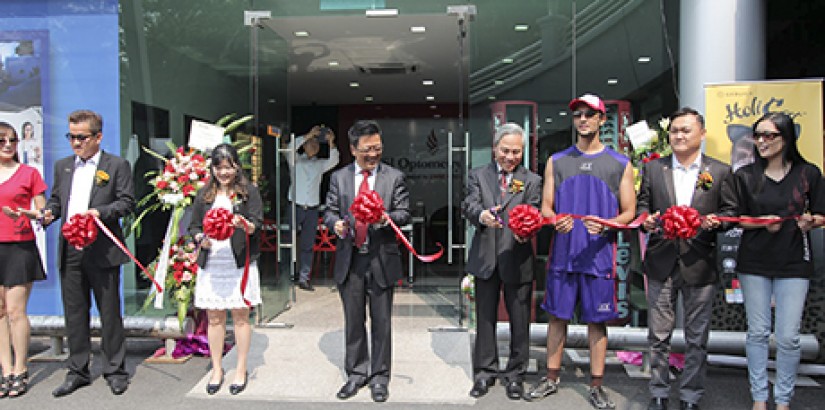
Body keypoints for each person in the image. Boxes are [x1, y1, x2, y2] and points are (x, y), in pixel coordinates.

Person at [528, 94, 636, 409]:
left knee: (597, 322)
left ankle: (597, 385)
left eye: (590, 114)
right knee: (556, 318)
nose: (583, 120)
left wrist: (608, 224)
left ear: (603, 119)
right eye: (578, 115)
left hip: (600, 255)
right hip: (563, 254)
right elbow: (546, 208)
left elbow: (628, 212)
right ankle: (550, 378)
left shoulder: (620, 163)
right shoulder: (557, 161)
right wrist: (553, 220)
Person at [720, 112, 824, 410]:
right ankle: (759, 397)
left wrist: (810, 221)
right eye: (758, 135)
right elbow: (735, 218)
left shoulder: (809, 174)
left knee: (789, 337)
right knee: (758, 333)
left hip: (794, 261)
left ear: (786, 138)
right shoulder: (745, 175)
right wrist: (760, 223)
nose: (762, 141)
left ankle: (783, 400)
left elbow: (820, 213)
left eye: (769, 135)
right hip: (754, 261)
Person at [637, 108, 732, 410]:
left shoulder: (719, 172)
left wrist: (718, 221)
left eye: (686, 130)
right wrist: (646, 220)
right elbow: (642, 207)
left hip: (699, 262)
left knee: (696, 338)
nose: (678, 135)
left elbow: (731, 212)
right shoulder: (654, 168)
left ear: (702, 134)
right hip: (661, 261)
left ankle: (691, 397)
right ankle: (659, 393)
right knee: (658, 335)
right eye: (674, 130)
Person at [42, 110, 134, 397]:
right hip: (71, 249)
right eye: (71, 136)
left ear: (98, 137)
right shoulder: (63, 167)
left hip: (103, 250)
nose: (75, 143)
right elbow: (57, 201)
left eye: (81, 137)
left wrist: (100, 213)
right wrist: (47, 214)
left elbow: (127, 202)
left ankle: (115, 370)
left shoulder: (116, 165)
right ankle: (78, 370)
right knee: (74, 312)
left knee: (109, 312)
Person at [323, 120, 410, 402]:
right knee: (354, 320)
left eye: (377, 148)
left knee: (382, 321)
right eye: (366, 150)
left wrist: (385, 218)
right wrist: (335, 224)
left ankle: (380, 377)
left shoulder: (393, 177)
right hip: (351, 259)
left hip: (381, 259)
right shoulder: (339, 178)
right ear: (352, 149)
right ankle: (356, 373)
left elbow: (404, 213)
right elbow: (330, 211)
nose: (372, 155)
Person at [462, 123, 542, 400]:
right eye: (505, 150)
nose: (510, 157)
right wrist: (481, 215)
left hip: (517, 257)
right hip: (485, 257)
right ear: (495, 148)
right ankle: (485, 371)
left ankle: (516, 374)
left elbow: (534, 211)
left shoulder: (531, 179)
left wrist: (525, 233)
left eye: (516, 152)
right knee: (485, 319)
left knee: (520, 321)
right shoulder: (478, 175)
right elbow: (469, 205)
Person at [189, 143, 263, 396]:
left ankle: (241, 368)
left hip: (239, 260)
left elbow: (257, 224)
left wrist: (242, 224)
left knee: (241, 316)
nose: (224, 172)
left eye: (228, 166)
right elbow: (193, 228)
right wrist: (200, 238)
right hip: (213, 262)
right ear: (212, 169)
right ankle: (217, 368)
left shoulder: (248, 192)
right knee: (215, 317)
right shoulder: (204, 194)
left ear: (236, 167)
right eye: (218, 167)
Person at [0, 122, 47, 398]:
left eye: (13, 140)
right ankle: (5, 369)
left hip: (19, 247)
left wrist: (23, 213)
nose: (8, 145)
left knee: (16, 311)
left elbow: (43, 213)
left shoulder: (29, 174)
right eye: (2, 140)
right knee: (0, 312)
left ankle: (20, 368)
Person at [284, 125, 340, 291]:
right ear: (304, 145)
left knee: (308, 244)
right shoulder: (295, 161)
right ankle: (287, 275)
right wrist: (307, 135)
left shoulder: (320, 164)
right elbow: (288, 149)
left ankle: (304, 278)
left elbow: (334, 160)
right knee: (289, 241)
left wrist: (331, 142)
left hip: (312, 208)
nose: (313, 146)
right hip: (295, 205)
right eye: (310, 143)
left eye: (316, 144)